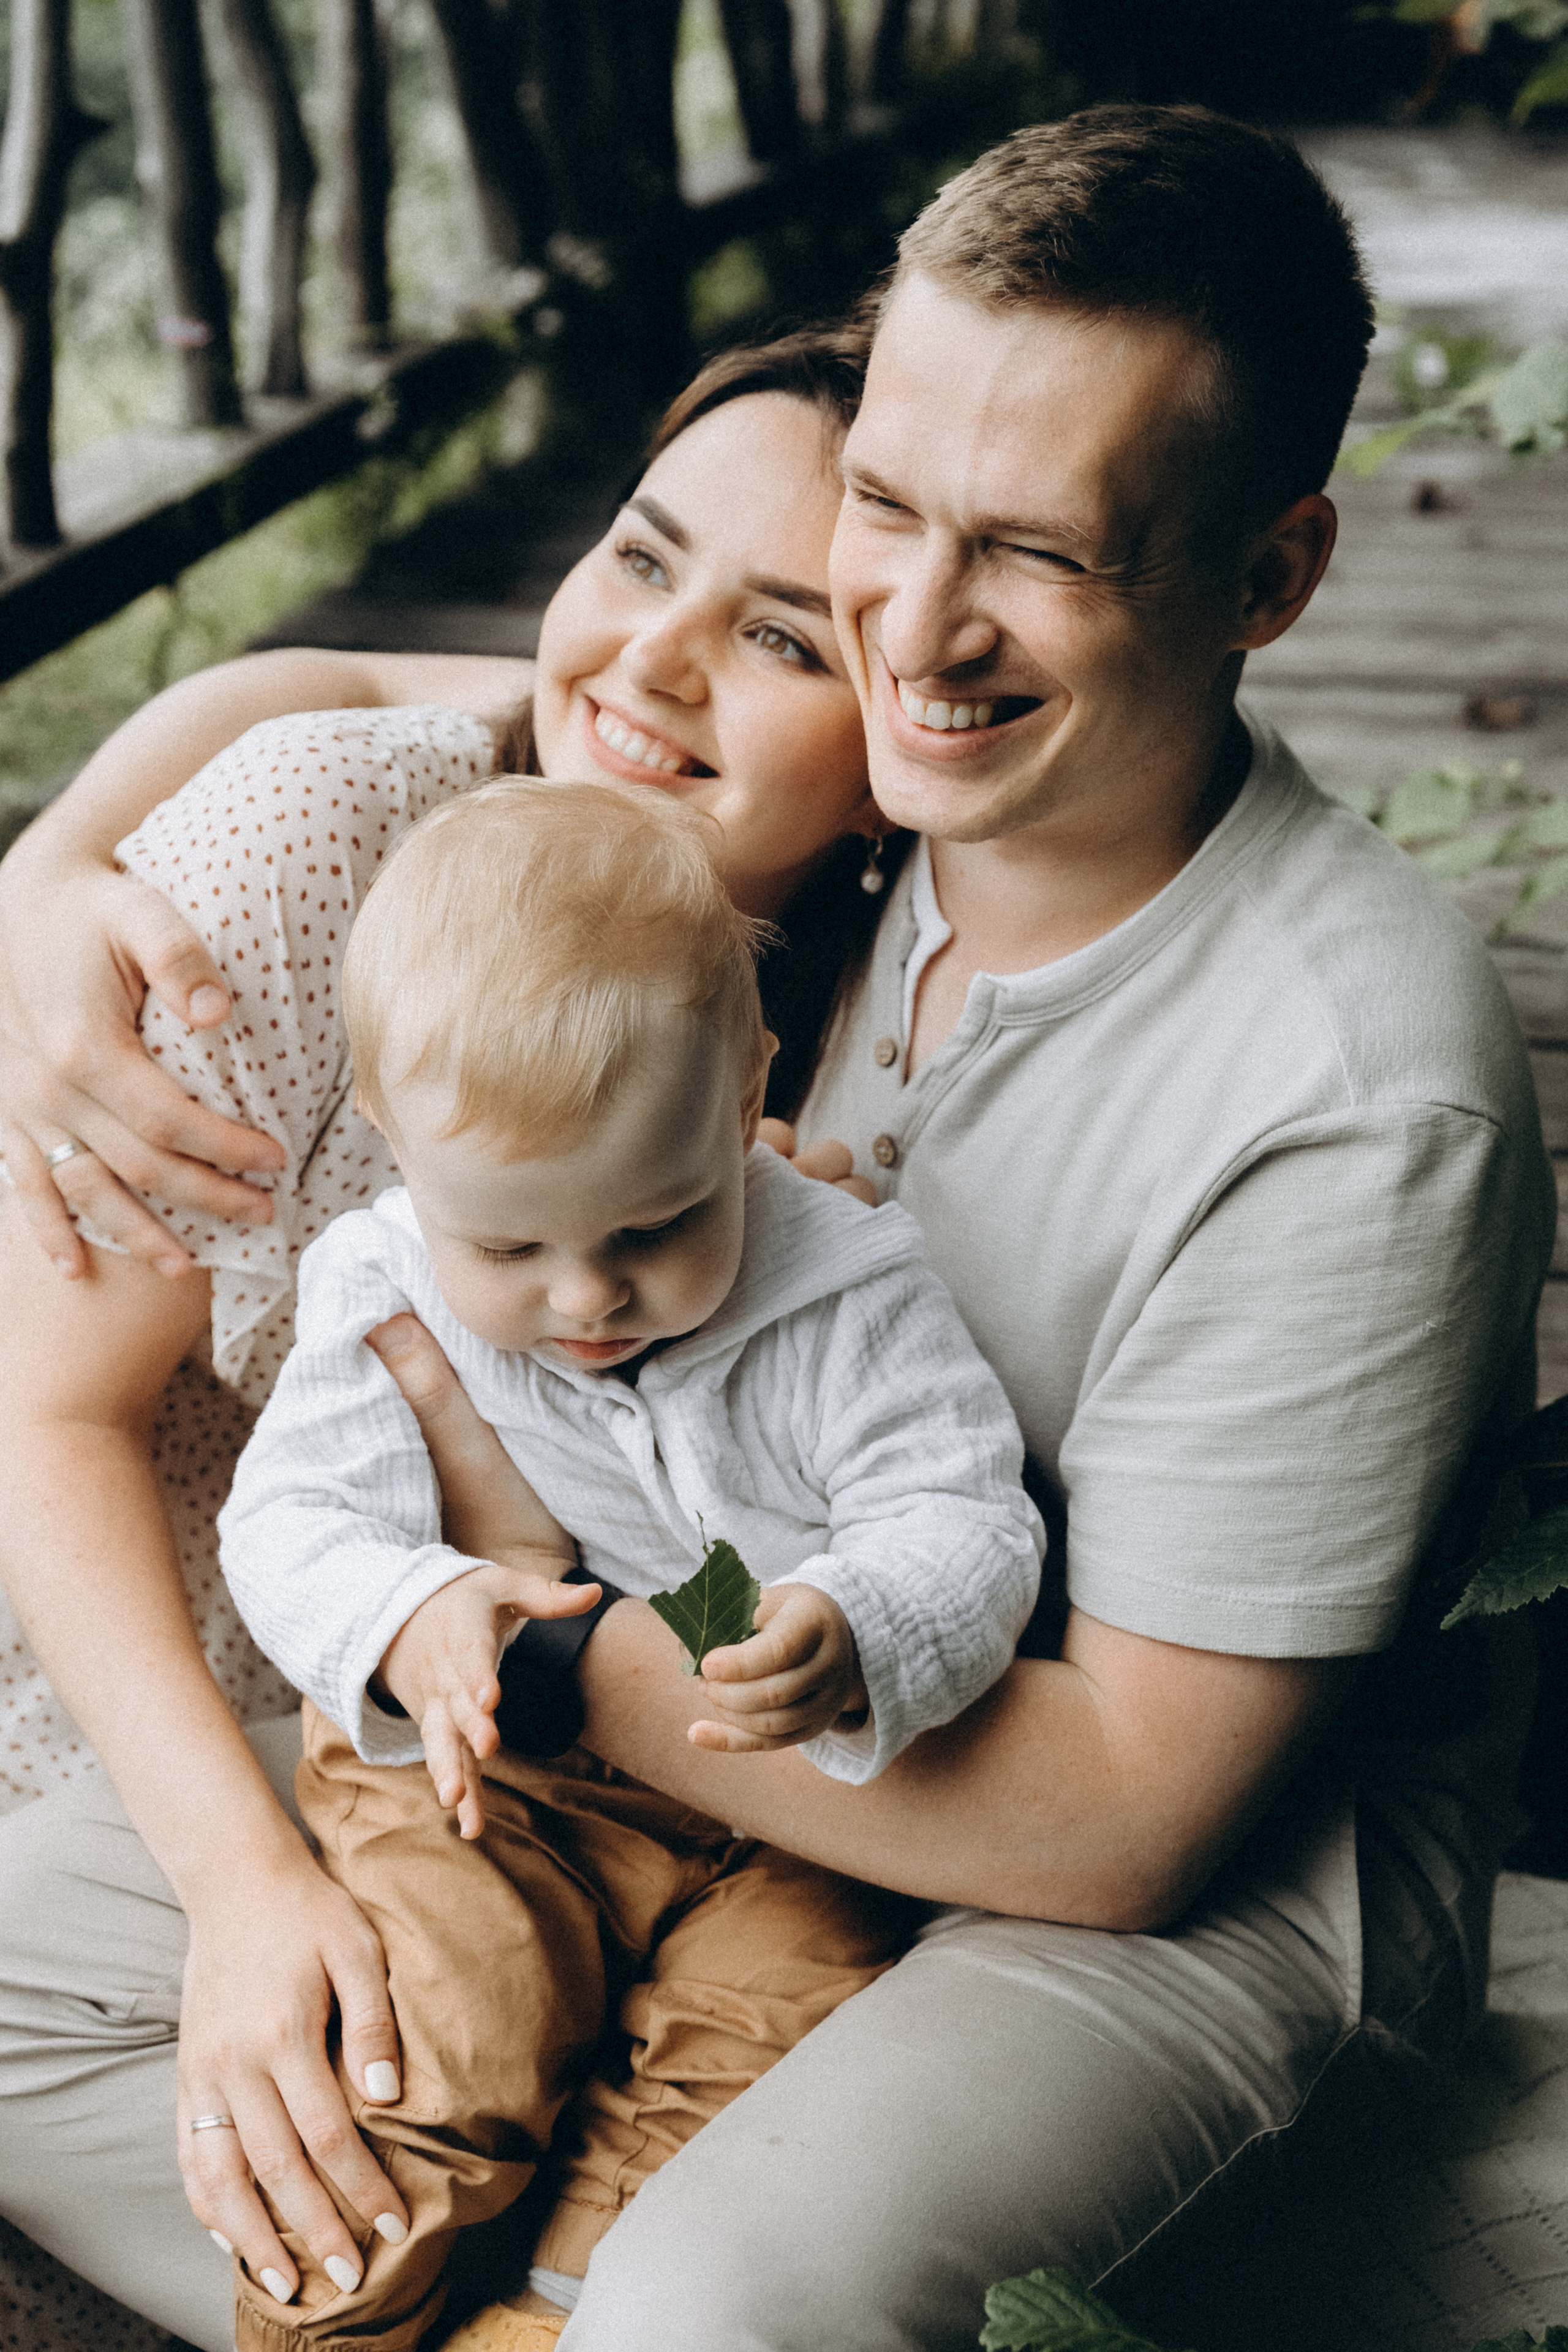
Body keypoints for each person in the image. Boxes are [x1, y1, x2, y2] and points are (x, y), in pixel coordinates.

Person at [0, 102, 1553, 2352]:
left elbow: (1126, 1822)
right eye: (887, 511)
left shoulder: (1352, 1096)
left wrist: (517, 1635)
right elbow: (514, 709)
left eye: (1039, 551)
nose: (914, 623)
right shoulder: (869, 819)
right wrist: (59, 859)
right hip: (709, 1730)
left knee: (710, 2310)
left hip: (1150, 1878)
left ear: (1268, 579)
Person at [0, 323, 888, 2352]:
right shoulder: (323, 856)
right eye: (639, 556)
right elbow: (47, 1417)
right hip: (149, 1657)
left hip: (582, 1735)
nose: (653, 665)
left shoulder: (885, 1004)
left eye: (783, 637)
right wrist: (240, 1888)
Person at [216, 774, 1039, 2348]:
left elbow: (963, 1512)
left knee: (750, 2060)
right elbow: (290, 1521)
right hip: (481, 1774)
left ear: (744, 1094)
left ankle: (554, 2322)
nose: (587, 1298)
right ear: (395, 1141)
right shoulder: (383, 1286)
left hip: (787, 1810)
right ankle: (337, 2320)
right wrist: (414, 1607)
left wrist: (858, 1614)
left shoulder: (850, 1291)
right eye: (510, 1247)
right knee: (436, 2044)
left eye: (654, 1225)